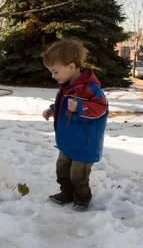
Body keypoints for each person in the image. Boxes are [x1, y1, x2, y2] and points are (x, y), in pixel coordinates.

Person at [41, 38, 108, 211]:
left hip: (84, 144)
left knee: (78, 175)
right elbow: (64, 104)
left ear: (71, 67)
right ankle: (67, 193)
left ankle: (82, 198)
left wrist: (81, 107)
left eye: (55, 72)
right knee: (62, 171)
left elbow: (101, 108)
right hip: (68, 141)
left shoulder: (90, 88)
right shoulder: (66, 85)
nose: (53, 76)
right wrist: (52, 109)